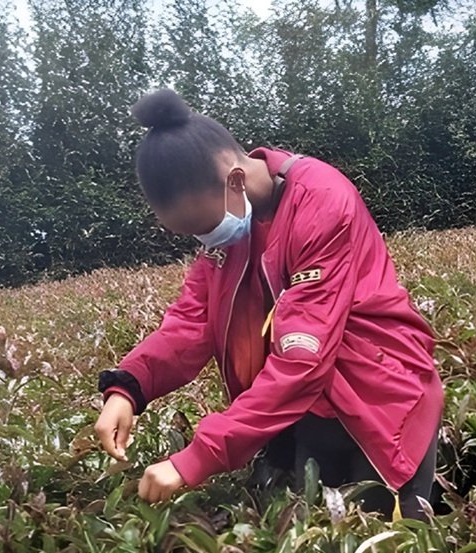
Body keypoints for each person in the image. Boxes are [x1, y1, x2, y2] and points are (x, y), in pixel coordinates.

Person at [95, 89, 444, 520]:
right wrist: (128, 388)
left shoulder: (321, 204)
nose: (207, 241)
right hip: (310, 412)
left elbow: (303, 360)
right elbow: (191, 320)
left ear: (235, 181)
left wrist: (197, 457)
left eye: (206, 226)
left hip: (380, 399)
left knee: (392, 539)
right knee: (312, 533)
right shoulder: (231, 228)